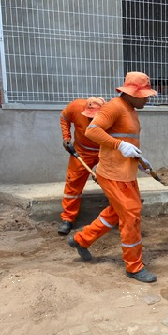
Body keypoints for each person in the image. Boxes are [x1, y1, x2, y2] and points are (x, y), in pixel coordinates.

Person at [67, 72, 158, 283]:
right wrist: (120, 145)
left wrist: (141, 162)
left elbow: (126, 141)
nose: (147, 98)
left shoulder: (131, 110)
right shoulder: (114, 107)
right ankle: (134, 267)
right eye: (144, 95)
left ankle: (81, 240)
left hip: (126, 172)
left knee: (117, 212)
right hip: (113, 174)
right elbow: (92, 131)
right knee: (131, 215)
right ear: (132, 93)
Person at [58, 96, 106, 235]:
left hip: (104, 151)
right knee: (73, 182)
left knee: (111, 182)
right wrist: (66, 138)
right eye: (89, 117)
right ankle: (68, 219)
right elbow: (64, 117)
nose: (91, 120)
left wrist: (103, 169)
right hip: (82, 152)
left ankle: (118, 215)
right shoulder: (75, 107)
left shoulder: (111, 115)